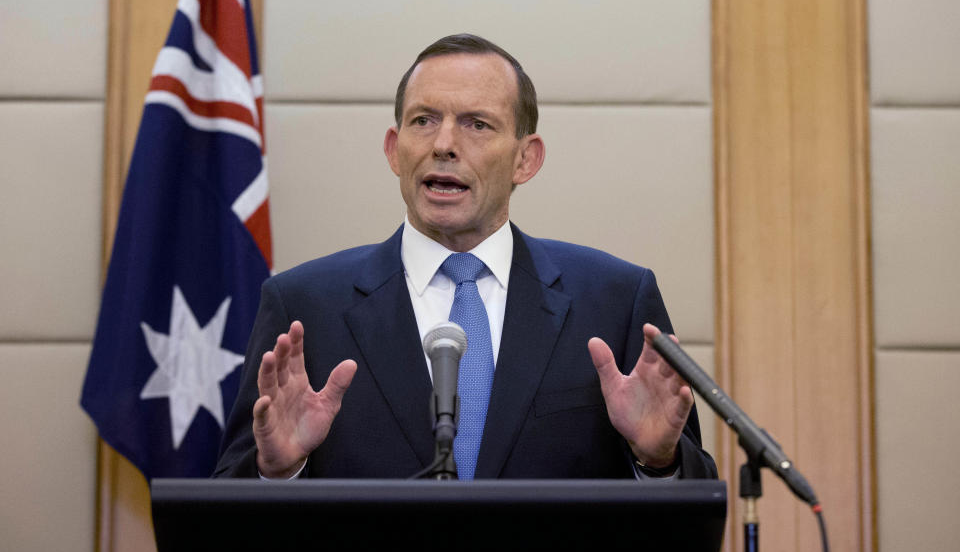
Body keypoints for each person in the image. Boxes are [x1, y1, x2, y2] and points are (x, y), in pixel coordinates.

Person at [214, 34, 717, 481]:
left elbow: (695, 515)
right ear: (394, 149)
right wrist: (277, 472)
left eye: (477, 124)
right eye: (423, 121)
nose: (444, 144)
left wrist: (656, 463)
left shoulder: (613, 301)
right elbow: (218, 517)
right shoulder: (304, 308)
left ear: (526, 158)